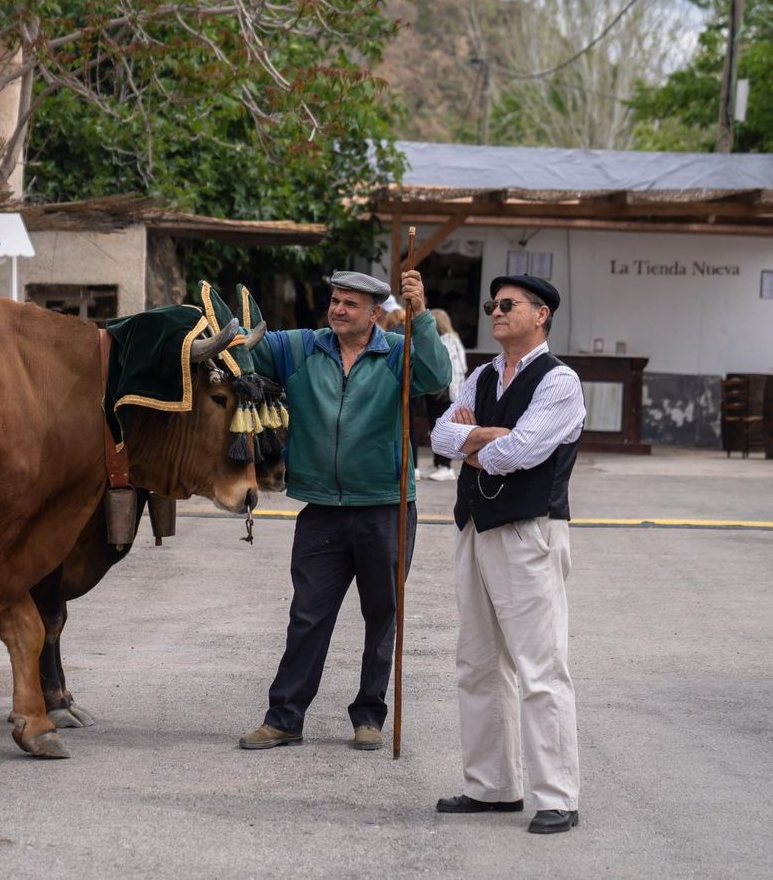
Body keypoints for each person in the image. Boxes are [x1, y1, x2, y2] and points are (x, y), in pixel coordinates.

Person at [236, 269, 450, 752]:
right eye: (335, 300)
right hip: (322, 508)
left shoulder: (397, 352)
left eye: (350, 304)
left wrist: (421, 317)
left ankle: (369, 714)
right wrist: (232, 316)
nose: (337, 310)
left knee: (382, 613)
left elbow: (437, 377)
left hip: (386, 507)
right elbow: (249, 345)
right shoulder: (301, 347)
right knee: (308, 616)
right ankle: (285, 716)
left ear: (374, 313)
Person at [430, 274, 586, 836]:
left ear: (540, 314)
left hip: (528, 531)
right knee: (476, 662)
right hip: (475, 526)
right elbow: (438, 434)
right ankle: (492, 786)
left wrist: (475, 443)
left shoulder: (560, 381)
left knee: (540, 666)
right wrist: (481, 439)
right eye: (491, 304)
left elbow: (522, 453)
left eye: (506, 304)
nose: (494, 312)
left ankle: (558, 796)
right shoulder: (480, 375)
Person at [424, 308, 467, 482]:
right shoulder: (455, 339)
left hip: (442, 390)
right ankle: (442, 464)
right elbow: (462, 366)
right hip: (455, 390)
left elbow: (439, 367)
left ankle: (444, 465)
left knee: (439, 426)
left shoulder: (442, 341)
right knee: (444, 425)